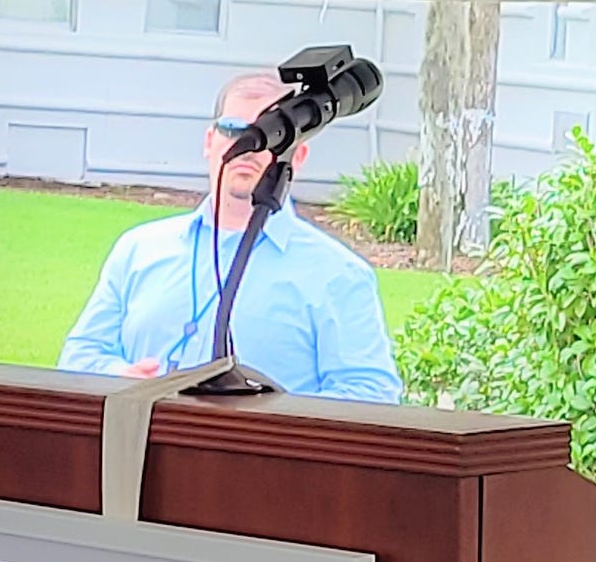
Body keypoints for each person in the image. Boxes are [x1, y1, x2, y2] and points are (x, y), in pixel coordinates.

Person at [58, 71, 401, 402]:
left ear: (298, 155)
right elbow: (79, 355)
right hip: (141, 454)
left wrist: (266, 421)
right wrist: (120, 377)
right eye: (234, 130)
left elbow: (371, 394)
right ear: (209, 141)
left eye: (270, 134)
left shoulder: (338, 274)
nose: (248, 147)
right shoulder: (138, 249)